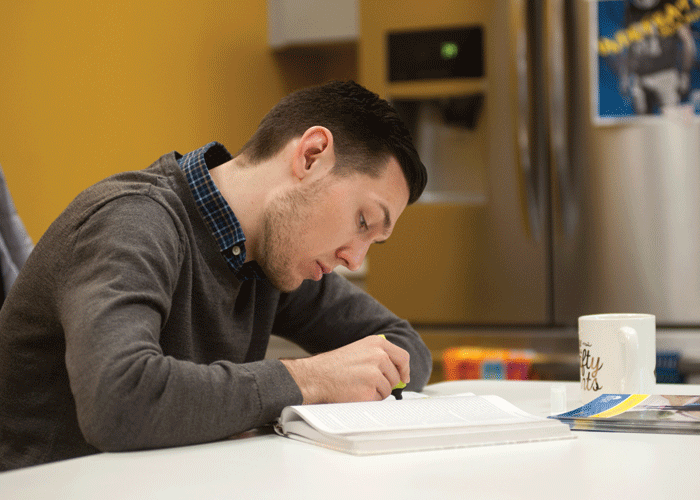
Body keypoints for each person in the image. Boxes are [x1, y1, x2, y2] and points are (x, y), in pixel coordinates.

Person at [0, 80, 432, 471]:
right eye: (362, 221)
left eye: (373, 241)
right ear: (312, 155)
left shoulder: (273, 258)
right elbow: (118, 401)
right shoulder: (131, 222)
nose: (355, 260)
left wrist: (354, 375)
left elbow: (403, 347)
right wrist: (309, 380)